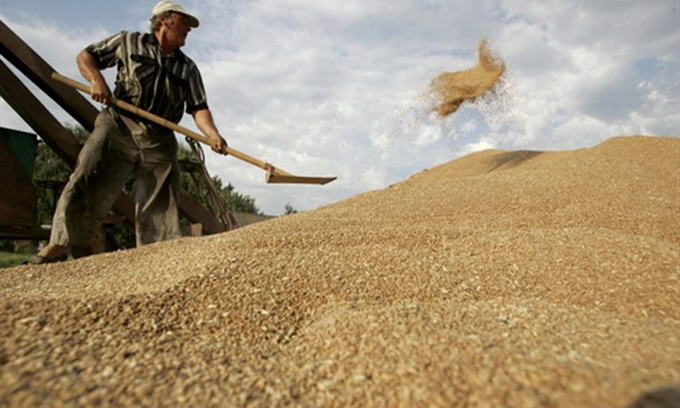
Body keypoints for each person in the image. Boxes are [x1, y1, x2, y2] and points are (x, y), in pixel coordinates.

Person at [26, 1, 227, 263]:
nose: (188, 29)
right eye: (184, 22)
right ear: (164, 20)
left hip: (159, 136)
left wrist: (212, 134)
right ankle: (59, 244)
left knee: (161, 199)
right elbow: (86, 56)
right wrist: (96, 80)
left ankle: (156, 257)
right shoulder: (128, 42)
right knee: (89, 176)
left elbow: (199, 108)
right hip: (119, 124)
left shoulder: (187, 68)